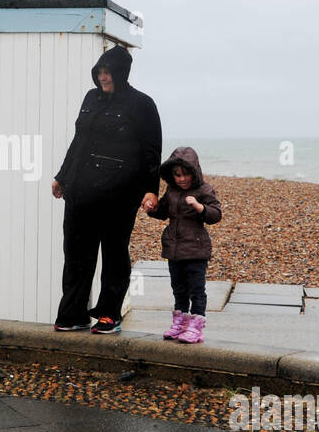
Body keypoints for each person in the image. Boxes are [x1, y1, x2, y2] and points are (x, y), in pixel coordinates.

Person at [51, 44, 162, 334]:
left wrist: (152, 190)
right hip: (80, 190)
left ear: (121, 72)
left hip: (119, 194)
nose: (104, 77)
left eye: (108, 71)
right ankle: (73, 314)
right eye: (100, 71)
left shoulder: (142, 104)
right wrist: (62, 176)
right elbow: (79, 141)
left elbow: (152, 150)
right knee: (76, 254)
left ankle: (109, 315)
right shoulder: (90, 98)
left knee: (113, 254)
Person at [146, 147, 222, 343]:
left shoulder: (204, 190)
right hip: (174, 249)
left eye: (186, 174)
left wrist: (200, 207)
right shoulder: (171, 191)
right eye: (177, 175)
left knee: (197, 288)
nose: (182, 179)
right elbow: (163, 211)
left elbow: (216, 214)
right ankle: (180, 323)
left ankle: (196, 325)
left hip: (196, 249)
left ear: (194, 171)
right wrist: (152, 209)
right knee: (178, 288)